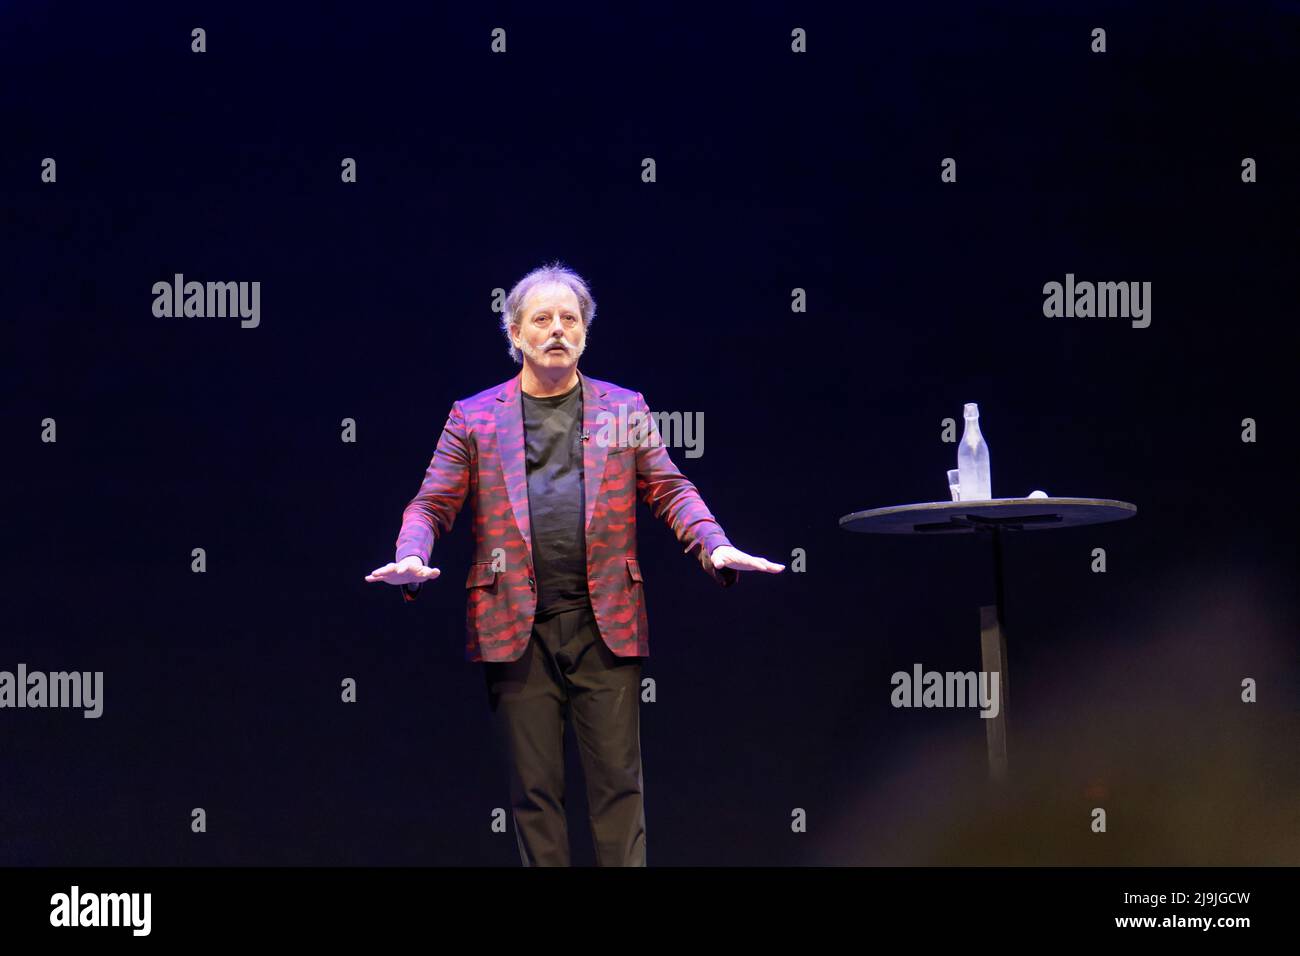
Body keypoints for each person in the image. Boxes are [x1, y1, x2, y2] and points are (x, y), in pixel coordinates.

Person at [366, 261, 783, 865]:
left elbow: (669, 488)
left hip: (605, 622)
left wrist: (712, 544)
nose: (557, 329)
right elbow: (432, 503)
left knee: (618, 788)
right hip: (515, 626)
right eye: (542, 319)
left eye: (570, 318)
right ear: (515, 333)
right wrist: (411, 553)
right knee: (535, 797)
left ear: (585, 331)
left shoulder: (624, 407)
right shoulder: (474, 416)